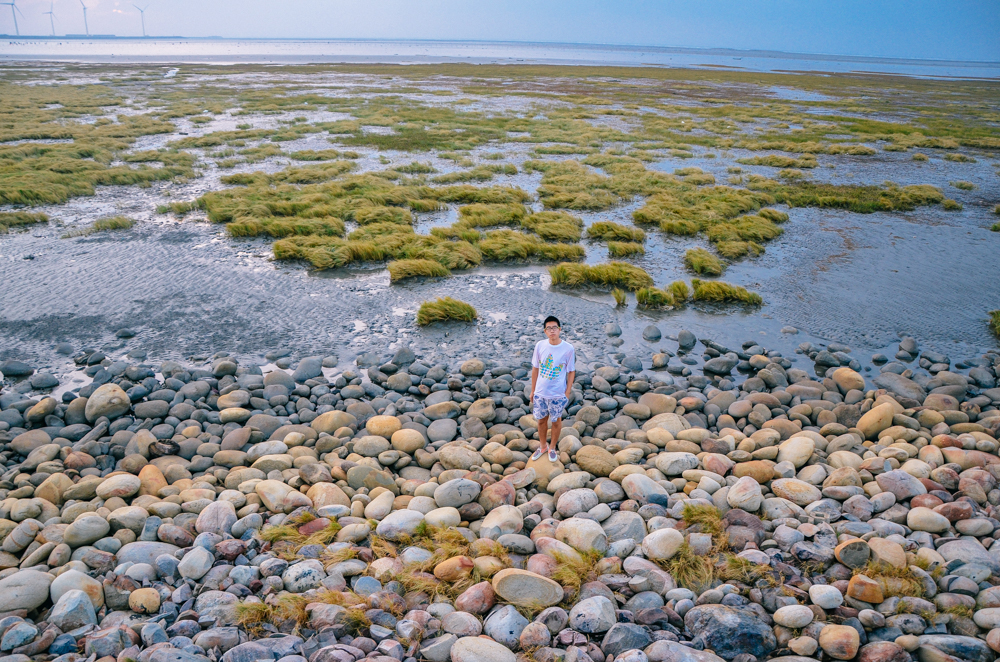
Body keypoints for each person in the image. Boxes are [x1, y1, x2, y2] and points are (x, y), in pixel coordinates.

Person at [529, 315, 575, 462]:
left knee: (556, 421)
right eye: (549, 328)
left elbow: (571, 371)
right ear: (545, 331)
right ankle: (542, 446)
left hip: (557, 393)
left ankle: (552, 447)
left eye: (554, 327)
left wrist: (567, 392)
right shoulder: (540, 345)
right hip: (541, 393)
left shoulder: (568, 349)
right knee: (541, 421)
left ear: (559, 329)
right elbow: (535, 368)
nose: (552, 331)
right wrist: (533, 390)